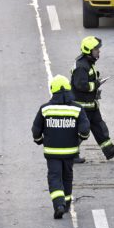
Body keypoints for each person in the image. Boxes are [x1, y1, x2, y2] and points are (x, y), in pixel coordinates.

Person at [32, 75, 90, 219]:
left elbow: (35, 130)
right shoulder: (77, 109)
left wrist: (39, 140)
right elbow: (85, 130)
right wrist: (79, 140)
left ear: (53, 91)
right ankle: (67, 203)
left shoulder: (45, 109)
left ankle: (58, 205)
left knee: (54, 177)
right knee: (67, 177)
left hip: (52, 153)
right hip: (70, 152)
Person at [70, 36, 114, 163]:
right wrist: (96, 84)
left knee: (100, 127)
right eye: (96, 49)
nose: (99, 51)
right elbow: (81, 85)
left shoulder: (88, 63)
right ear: (89, 50)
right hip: (82, 106)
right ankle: (71, 154)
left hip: (91, 105)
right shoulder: (81, 66)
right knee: (82, 131)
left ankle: (109, 150)